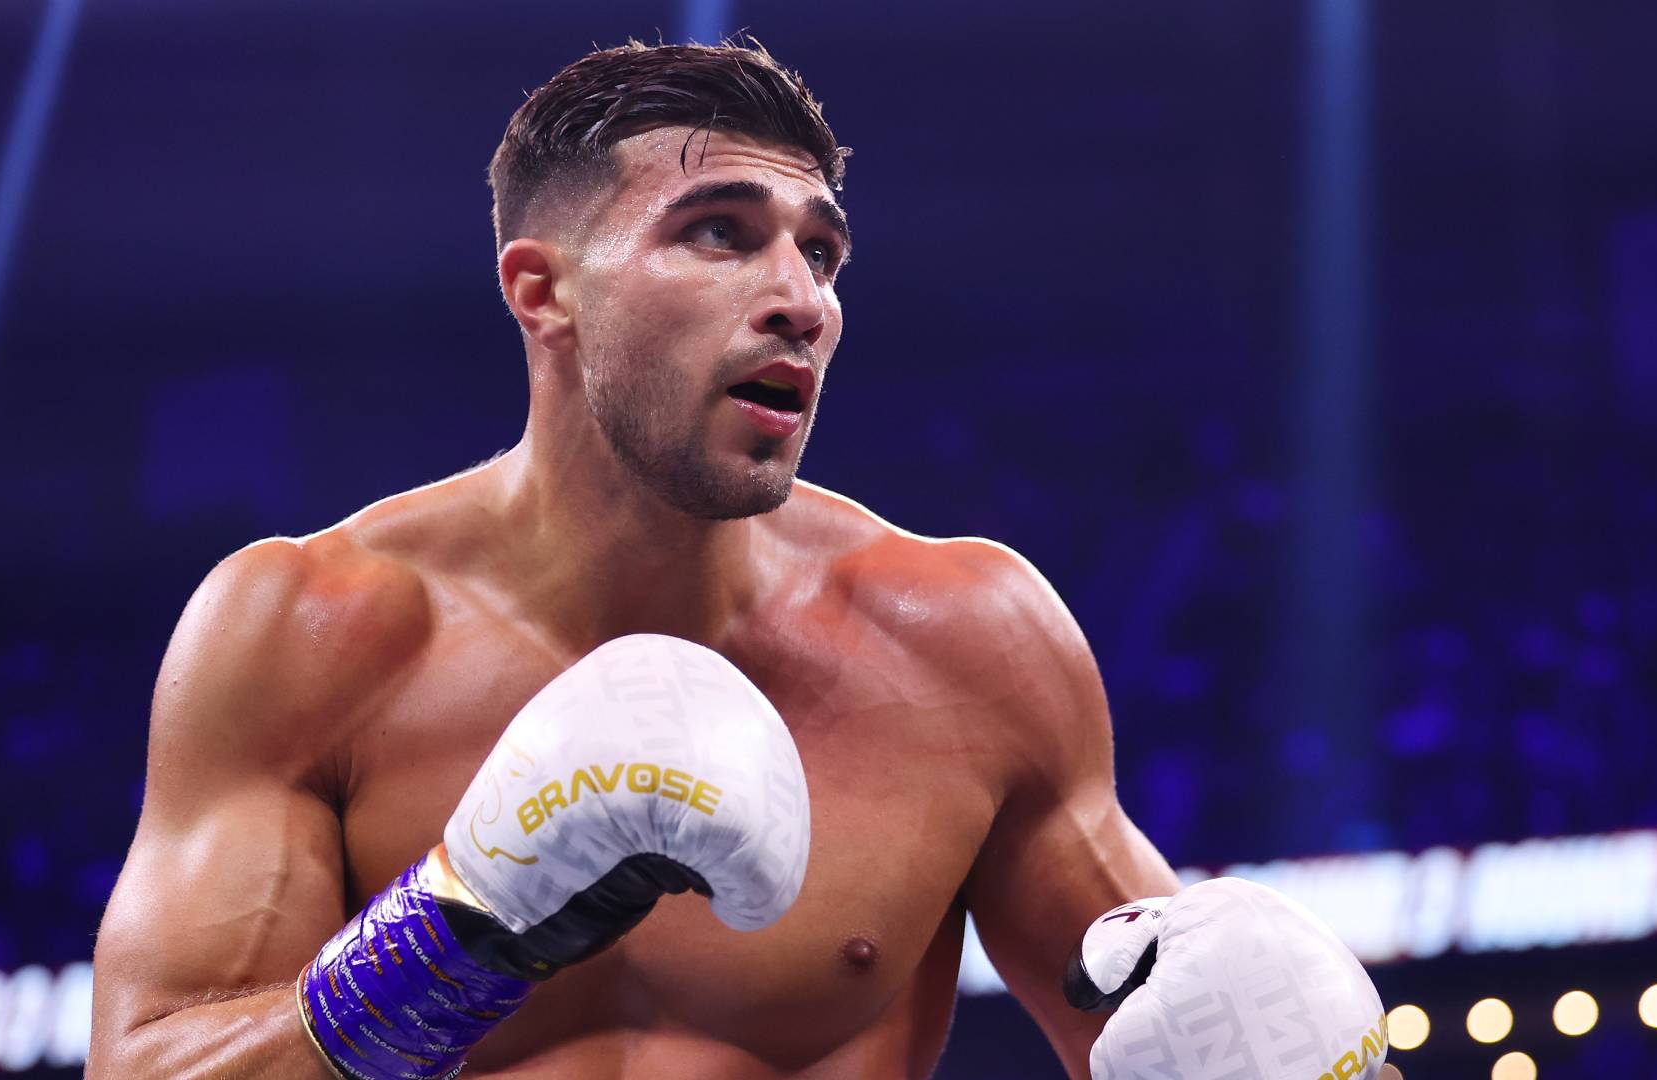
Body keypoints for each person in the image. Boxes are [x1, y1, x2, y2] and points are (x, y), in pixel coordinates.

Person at [88, 41, 1385, 1080]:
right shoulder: (310, 629)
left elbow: (1193, 1028)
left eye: (819, 250)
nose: (801, 295)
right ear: (544, 292)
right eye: (720, 232)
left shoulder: (965, 641)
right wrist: (454, 939)